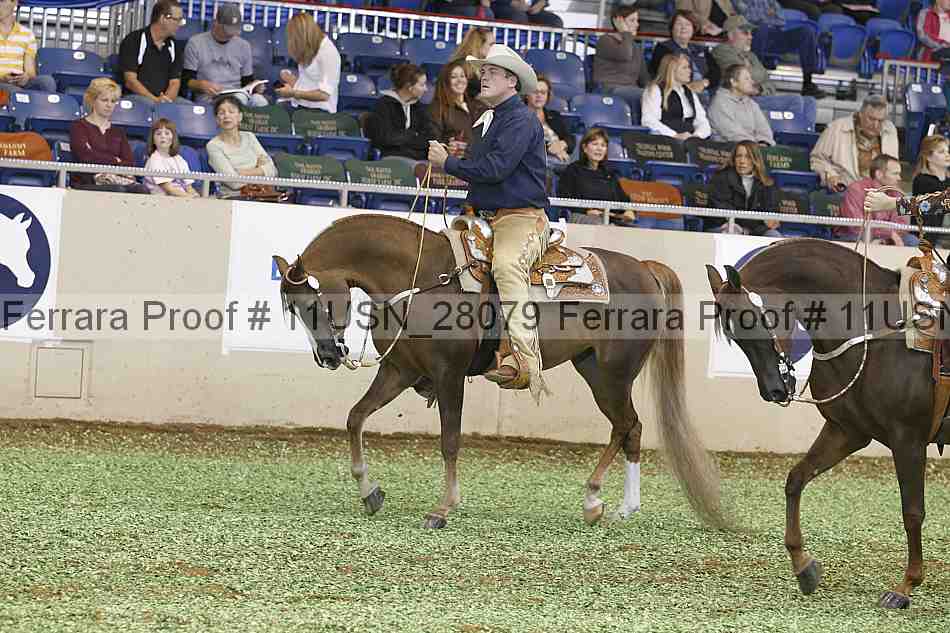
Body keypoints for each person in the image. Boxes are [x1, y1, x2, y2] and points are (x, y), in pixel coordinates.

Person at [427, 44, 550, 401]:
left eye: (491, 72)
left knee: (508, 267)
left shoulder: (521, 119)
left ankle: (525, 361)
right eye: (483, 72)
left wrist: (449, 163)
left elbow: (496, 169)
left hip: (520, 217)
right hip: (484, 216)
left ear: (512, 81)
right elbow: (486, 170)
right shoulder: (490, 118)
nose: (483, 77)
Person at [734, 0, 828, 98]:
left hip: (775, 34)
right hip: (753, 35)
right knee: (762, 28)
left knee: (807, 31)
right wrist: (767, 15)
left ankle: (808, 83)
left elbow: (780, 17)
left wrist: (764, 16)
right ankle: (756, 80)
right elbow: (746, 16)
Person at [69, 78, 148, 193]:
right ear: (92, 101)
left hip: (116, 180)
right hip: (87, 181)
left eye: (113, 101)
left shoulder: (118, 132)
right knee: (118, 190)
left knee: (141, 190)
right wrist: (116, 160)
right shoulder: (79, 127)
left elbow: (129, 163)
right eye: (104, 100)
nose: (109, 105)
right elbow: (86, 157)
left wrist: (100, 157)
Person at [182, 3, 268, 106]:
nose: (230, 34)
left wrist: (255, 86)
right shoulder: (196, 43)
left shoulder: (244, 46)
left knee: (259, 100)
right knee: (238, 100)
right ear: (216, 23)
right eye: (227, 29)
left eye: (234, 29)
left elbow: (247, 80)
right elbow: (186, 79)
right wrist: (201, 85)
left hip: (238, 94)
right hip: (210, 97)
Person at [810, 94, 899, 192]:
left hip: (880, 193)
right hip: (845, 190)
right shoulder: (836, 128)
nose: (875, 125)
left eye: (881, 120)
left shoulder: (890, 130)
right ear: (860, 115)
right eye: (871, 119)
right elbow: (817, 159)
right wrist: (831, 175)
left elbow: (894, 166)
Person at [556, 128, 634, 226]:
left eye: (603, 145)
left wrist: (629, 210)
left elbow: (624, 200)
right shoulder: (573, 170)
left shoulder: (609, 174)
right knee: (602, 226)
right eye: (595, 144)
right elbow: (564, 198)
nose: (599, 148)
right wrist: (586, 211)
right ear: (584, 148)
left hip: (608, 219)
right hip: (581, 217)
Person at [206, 95, 277, 198]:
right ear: (217, 119)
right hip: (232, 197)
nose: (226, 116)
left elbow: (272, 170)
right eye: (221, 113)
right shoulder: (213, 146)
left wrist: (241, 172)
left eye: (231, 111)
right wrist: (260, 170)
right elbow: (234, 183)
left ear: (240, 117)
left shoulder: (249, 137)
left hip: (261, 194)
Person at [706, 141, 782, 235]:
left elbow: (772, 211)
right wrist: (760, 220)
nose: (742, 161)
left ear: (755, 160)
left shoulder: (766, 183)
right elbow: (725, 212)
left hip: (756, 230)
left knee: (773, 234)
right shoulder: (721, 178)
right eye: (739, 156)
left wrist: (771, 221)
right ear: (734, 159)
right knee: (732, 232)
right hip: (726, 226)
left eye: (748, 157)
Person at [117, 0, 187, 103]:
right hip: (137, 97)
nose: (180, 25)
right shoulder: (134, 40)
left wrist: (167, 101)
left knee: (187, 106)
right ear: (163, 18)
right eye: (177, 20)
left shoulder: (174, 46)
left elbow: (175, 82)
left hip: (164, 99)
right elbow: (130, 81)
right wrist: (155, 100)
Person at [837, 154, 915, 245]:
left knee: (913, 241)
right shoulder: (856, 189)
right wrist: (888, 233)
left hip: (888, 236)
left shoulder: (898, 192)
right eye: (895, 174)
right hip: (855, 236)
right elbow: (857, 225)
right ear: (879, 174)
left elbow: (903, 224)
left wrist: (887, 238)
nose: (899, 178)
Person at [365, 63, 432, 163]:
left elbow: (429, 138)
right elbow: (385, 139)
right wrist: (413, 134)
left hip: (418, 158)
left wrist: (403, 137)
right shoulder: (383, 106)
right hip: (391, 158)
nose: (426, 89)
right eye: (422, 85)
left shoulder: (420, 108)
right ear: (409, 86)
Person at [274, 13, 340, 113]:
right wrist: (290, 79)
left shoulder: (328, 52)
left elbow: (324, 95)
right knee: (277, 108)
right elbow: (309, 83)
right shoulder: (308, 48)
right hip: (301, 105)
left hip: (319, 111)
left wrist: (293, 93)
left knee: (278, 113)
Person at [592, 5, 650, 109]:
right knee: (646, 96)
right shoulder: (605, 40)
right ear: (617, 22)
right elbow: (625, 55)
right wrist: (625, 33)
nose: (637, 24)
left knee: (657, 96)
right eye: (632, 20)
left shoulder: (636, 47)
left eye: (637, 20)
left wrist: (654, 90)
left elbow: (644, 77)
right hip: (609, 89)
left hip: (631, 89)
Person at [641, 53, 711, 140]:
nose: (690, 71)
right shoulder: (655, 90)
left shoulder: (689, 92)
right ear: (672, 70)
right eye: (684, 68)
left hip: (690, 141)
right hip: (666, 140)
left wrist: (697, 136)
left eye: (689, 67)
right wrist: (674, 135)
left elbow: (702, 121)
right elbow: (649, 120)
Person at [707, 63, 774, 145]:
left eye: (751, 78)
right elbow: (733, 134)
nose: (752, 82)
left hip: (754, 147)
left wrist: (764, 142)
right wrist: (755, 146)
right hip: (728, 150)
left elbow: (764, 128)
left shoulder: (751, 103)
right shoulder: (719, 104)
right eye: (746, 79)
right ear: (733, 82)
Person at [711, 16, 777, 95]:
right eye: (745, 33)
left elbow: (770, 82)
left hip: (757, 97)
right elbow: (740, 77)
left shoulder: (751, 55)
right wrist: (760, 78)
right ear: (730, 35)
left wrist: (760, 89)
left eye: (751, 33)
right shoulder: (721, 51)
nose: (750, 37)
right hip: (736, 99)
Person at [649, 11, 711, 95]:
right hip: (678, 92)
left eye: (687, 24)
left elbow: (715, 72)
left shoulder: (701, 49)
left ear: (693, 29)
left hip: (706, 89)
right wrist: (688, 87)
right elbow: (663, 75)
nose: (683, 27)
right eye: (679, 24)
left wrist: (704, 83)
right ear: (672, 28)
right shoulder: (662, 48)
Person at [0, 0, 56, 94]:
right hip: (3, 84)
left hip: (17, 83)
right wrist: (2, 78)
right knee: (15, 92)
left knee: (47, 82)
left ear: (14, 3)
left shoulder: (27, 34)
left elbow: (30, 71)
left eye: (2, 1)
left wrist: (26, 77)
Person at [429, 60, 478, 158]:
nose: (460, 80)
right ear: (445, 82)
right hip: (453, 161)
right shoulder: (437, 109)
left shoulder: (478, 106)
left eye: (462, 76)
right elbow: (434, 140)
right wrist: (447, 147)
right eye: (453, 77)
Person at [524, 74, 573, 164]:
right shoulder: (519, 117)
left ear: (548, 96)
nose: (539, 95)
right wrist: (548, 148)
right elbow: (525, 143)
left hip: (560, 160)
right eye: (535, 92)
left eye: (543, 93)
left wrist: (562, 144)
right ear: (527, 95)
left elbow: (570, 138)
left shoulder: (554, 116)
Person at [144, 118, 199, 197]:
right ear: (153, 140)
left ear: (173, 138)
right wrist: (190, 197)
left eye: (167, 133)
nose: (163, 136)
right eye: (158, 134)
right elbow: (169, 190)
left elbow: (189, 187)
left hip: (182, 198)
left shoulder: (179, 159)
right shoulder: (154, 160)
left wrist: (196, 196)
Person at [911, 135, 950, 244]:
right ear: (928, 157)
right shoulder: (922, 180)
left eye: (947, 151)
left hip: (935, 237)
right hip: (919, 239)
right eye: (941, 152)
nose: (947, 154)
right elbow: (940, 197)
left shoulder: (947, 181)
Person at [450, 27, 494, 101]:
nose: (494, 48)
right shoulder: (460, 67)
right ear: (479, 45)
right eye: (491, 44)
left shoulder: (484, 67)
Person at [491, 0, 563, 27]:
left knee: (555, 22)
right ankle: (516, 52)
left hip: (531, 9)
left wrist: (541, 3)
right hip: (505, 6)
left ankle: (547, 53)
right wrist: (512, 2)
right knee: (520, 16)